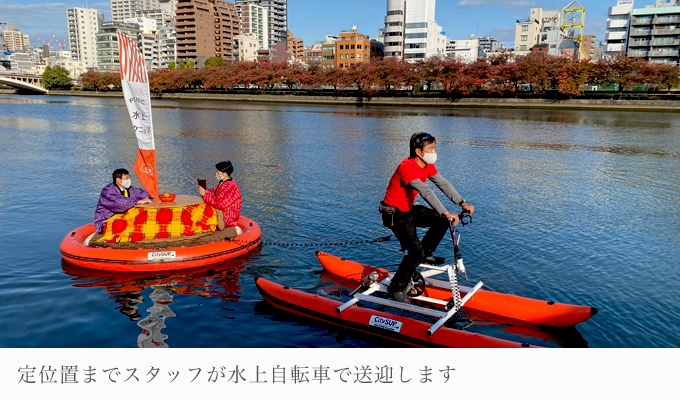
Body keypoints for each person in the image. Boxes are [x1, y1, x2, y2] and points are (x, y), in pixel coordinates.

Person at [380, 132, 475, 302]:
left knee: (441, 221)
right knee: (415, 251)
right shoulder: (406, 167)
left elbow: (442, 183)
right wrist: (446, 212)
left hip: (408, 210)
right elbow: (425, 192)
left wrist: (462, 202)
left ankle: (426, 253)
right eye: (430, 148)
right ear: (418, 152)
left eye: (434, 148)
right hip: (394, 214)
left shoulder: (426, 166)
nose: (434, 151)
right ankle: (396, 288)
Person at [94, 168, 152, 233]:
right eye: (126, 179)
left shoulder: (129, 189)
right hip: (106, 220)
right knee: (128, 226)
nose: (129, 180)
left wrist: (146, 197)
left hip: (123, 217)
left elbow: (141, 192)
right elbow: (119, 202)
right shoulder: (107, 191)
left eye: (129, 178)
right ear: (118, 180)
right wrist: (137, 201)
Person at [198, 161, 242, 233]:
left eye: (218, 172)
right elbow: (213, 192)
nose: (217, 174)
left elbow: (219, 204)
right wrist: (205, 191)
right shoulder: (223, 182)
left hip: (227, 216)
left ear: (224, 174)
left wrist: (205, 195)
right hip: (223, 211)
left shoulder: (229, 186)